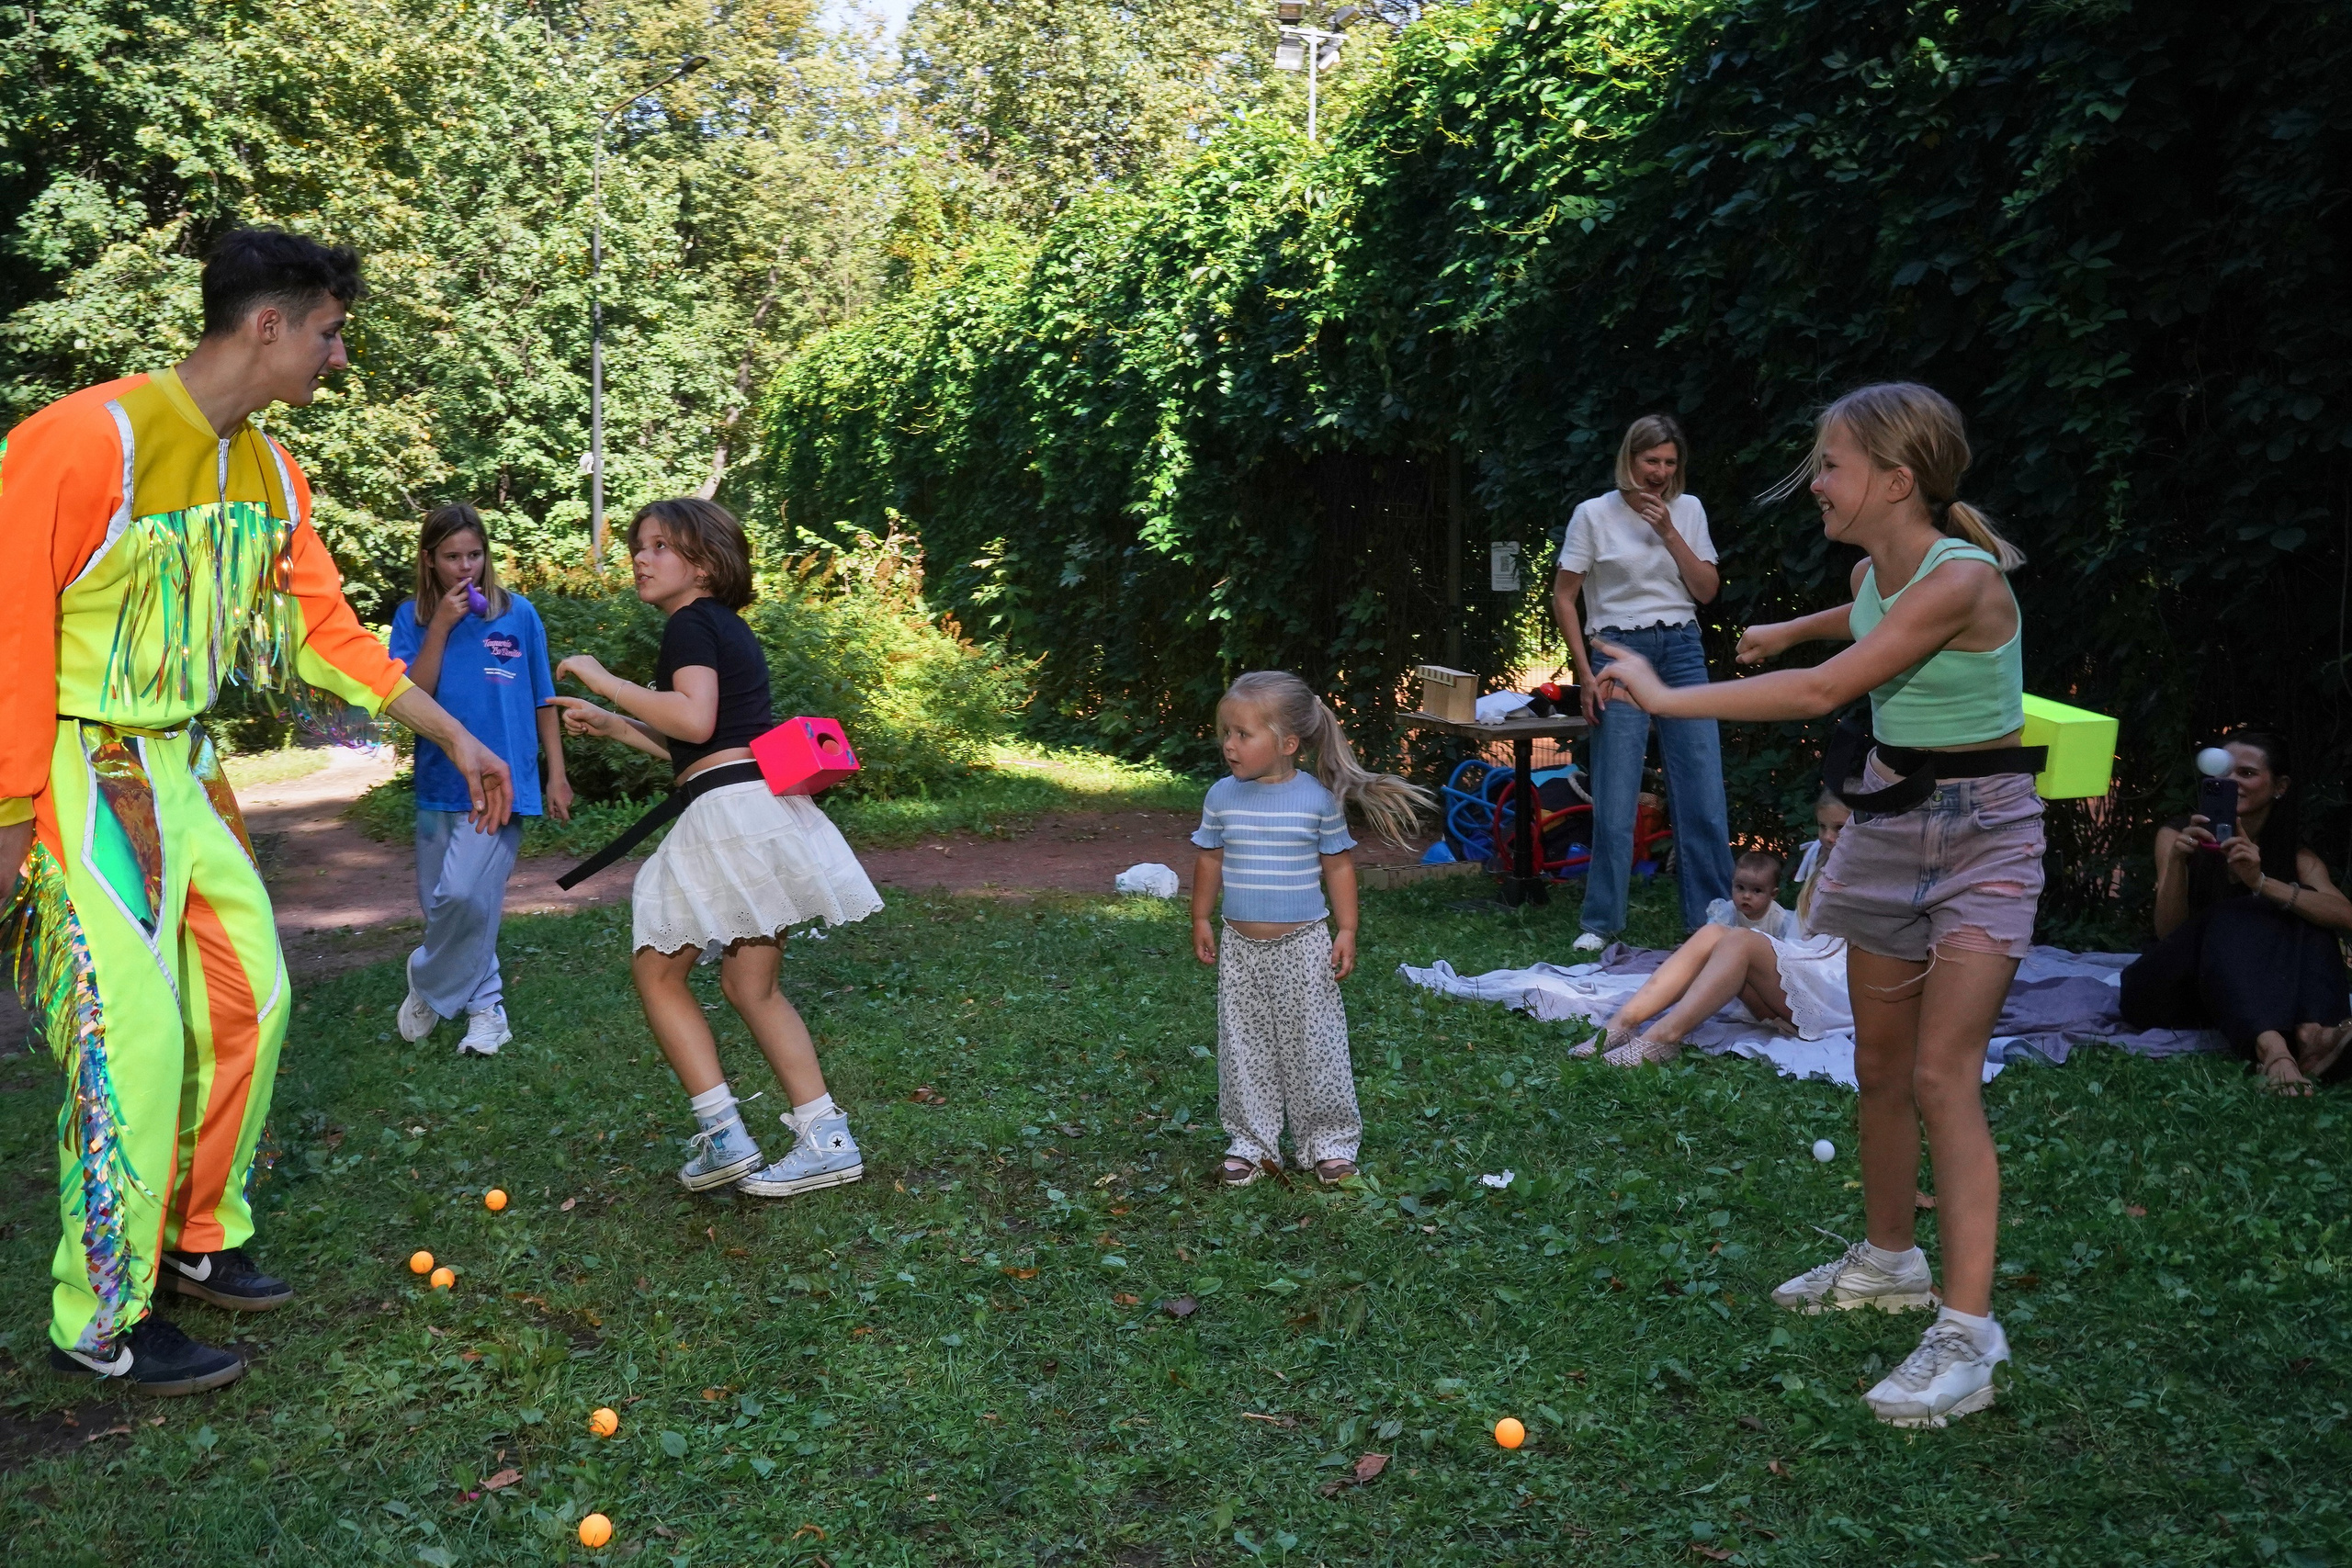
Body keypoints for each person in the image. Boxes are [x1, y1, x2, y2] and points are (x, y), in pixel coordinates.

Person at [0, 229, 514, 1395]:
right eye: (329, 334)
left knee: (253, 1002)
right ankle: (101, 1317)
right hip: (79, 769)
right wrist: (10, 810)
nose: (339, 358)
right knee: (133, 1040)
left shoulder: (273, 473)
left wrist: (454, 731)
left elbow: (324, 631)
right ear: (268, 325)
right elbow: (10, 633)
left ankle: (196, 1232)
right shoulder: (88, 440)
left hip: (185, 766)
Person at [1593, 381, 2037, 1428]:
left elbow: (1821, 695)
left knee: (1941, 1075)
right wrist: (1786, 625)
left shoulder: (1964, 577)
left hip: (1984, 840)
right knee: (1879, 1065)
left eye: (1829, 467)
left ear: (1894, 480)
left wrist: (1667, 696)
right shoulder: (1882, 566)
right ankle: (1889, 1258)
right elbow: (1866, 610)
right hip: (1887, 830)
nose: (1815, 485)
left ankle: (1967, 1336)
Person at [551, 498, 881, 1199]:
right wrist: (616, 725)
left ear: (701, 563)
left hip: (730, 816)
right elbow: (700, 742)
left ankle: (724, 1131)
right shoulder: (723, 627)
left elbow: (692, 717)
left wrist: (607, 680)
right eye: (639, 545)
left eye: (659, 546)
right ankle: (825, 1137)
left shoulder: (689, 625)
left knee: (658, 973)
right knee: (749, 984)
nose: (640, 556)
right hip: (759, 806)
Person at [1190, 671, 1430, 1186]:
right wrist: (1200, 917)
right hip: (1240, 946)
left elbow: (1338, 867)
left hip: (1304, 946)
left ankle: (1329, 1143)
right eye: (1225, 733)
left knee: (1315, 1044)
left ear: (1288, 743)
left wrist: (1346, 930)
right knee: (1243, 1044)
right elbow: (1209, 859)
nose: (1229, 745)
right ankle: (1250, 1143)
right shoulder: (1221, 797)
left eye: (1242, 734)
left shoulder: (1316, 800)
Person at [390, 503, 571, 1056]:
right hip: (438, 781)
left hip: (503, 784)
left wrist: (556, 773)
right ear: (430, 559)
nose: (465, 567)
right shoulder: (411, 618)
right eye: (452, 557)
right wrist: (441, 626)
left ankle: (436, 985)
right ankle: (481, 1006)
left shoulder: (518, 615)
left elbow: (544, 699)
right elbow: (408, 696)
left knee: (468, 894)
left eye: (474, 554)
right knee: (446, 904)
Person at [1552, 413, 1736, 951]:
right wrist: (1586, 674)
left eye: (1670, 462)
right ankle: (1601, 922)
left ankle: (1712, 919)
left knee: (1701, 786)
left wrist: (1668, 531)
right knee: (1616, 791)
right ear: (1630, 460)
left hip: (1681, 649)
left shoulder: (1689, 510)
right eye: (1651, 460)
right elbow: (1565, 596)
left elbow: (1705, 591)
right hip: (1617, 651)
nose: (1660, 472)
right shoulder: (1593, 514)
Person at [2120, 730, 2352, 1091]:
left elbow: (2344, 914)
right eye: (2224, 772)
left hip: (2244, 1000)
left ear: (2280, 786)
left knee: (2308, 905)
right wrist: (2179, 863)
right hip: (2171, 990)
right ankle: (2272, 1049)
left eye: (2246, 773)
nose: (2232, 782)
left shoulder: (2296, 858)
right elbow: (2168, 932)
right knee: (2231, 914)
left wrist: (2261, 882)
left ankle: (2312, 1035)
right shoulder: (2178, 836)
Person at [1578, 792, 1851, 1065]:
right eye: (1822, 826)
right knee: (1714, 933)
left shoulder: (1874, 869)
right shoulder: (1822, 852)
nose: (1828, 836)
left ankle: (1663, 1037)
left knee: (1741, 941)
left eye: (1839, 827)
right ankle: (1622, 1023)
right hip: (1807, 967)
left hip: (1836, 985)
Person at [1706, 849, 1799, 939]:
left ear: (1773, 894)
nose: (1746, 896)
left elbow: (1788, 949)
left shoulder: (1778, 919)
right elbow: (1711, 937)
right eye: (1740, 887)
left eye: (1757, 890)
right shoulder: (1728, 912)